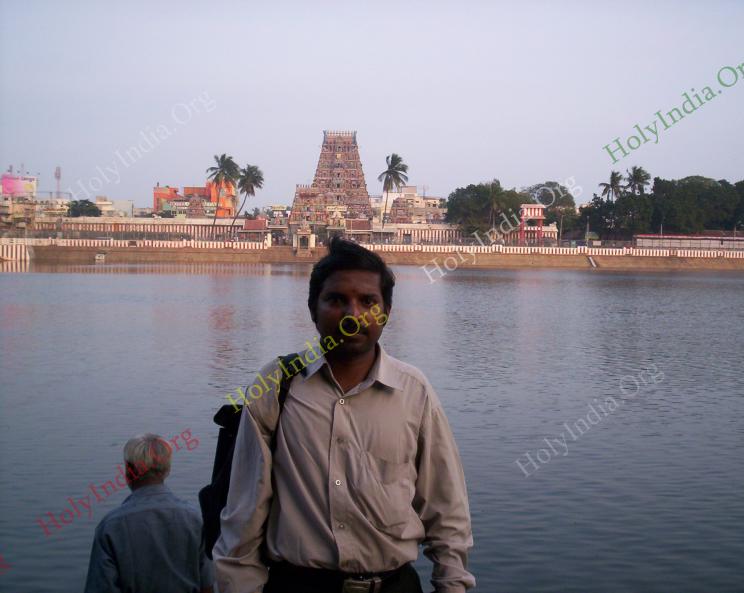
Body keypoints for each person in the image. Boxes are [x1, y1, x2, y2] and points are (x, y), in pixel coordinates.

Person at [214, 236, 475, 593]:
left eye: (368, 301)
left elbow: (446, 508)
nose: (353, 315)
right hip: (298, 584)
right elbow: (244, 512)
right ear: (313, 310)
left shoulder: (413, 391)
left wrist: (452, 584)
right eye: (336, 300)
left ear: (386, 313)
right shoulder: (277, 383)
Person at [84, 434, 214, 593]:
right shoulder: (195, 519)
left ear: (129, 471)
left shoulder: (110, 527)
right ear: (167, 470)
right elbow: (207, 586)